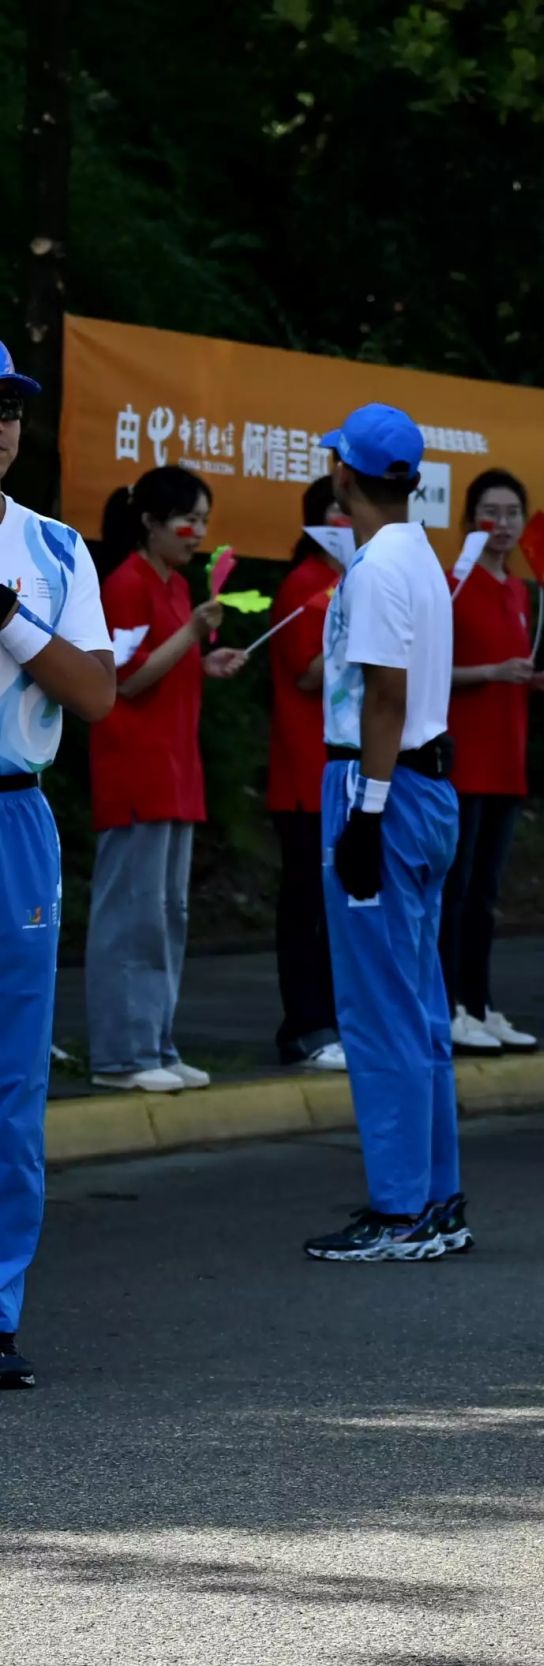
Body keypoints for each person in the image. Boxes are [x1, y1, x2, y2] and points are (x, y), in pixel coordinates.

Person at [301, 404, 465, 1265]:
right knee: (419, 999)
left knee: (379, 1005)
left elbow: (386, 697)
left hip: (384, 788)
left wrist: (364, 808)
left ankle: (400, 1208)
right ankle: (436, 1197)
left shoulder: (374, 568)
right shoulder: (419, 556)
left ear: (344, 472)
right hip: (426, 787)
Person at [0, 339, 116, 1389]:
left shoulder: (53, 548)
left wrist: (8, 618)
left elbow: (94, 693)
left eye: (7, 406)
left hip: (13, 820)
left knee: (10, 1081)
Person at [86, 464, 245, 1093]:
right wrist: (192, 634)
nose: (198, 532)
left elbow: (167, 664)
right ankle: (121, 1056)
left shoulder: (176, 586)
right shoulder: (125, 585)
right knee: (132, 915)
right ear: (149, 522)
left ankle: (155, 1042)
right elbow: (123, 678)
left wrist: (205, 660)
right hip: (135, 774)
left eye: (205, 521)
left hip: (177, 774)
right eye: (189, 520)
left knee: (168, 914)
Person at [440, 468, 539, 1054]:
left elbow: (510, 671)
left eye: (511, 514)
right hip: (463, 760)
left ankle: (479, 1004)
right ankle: (450, 1004)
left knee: (486, 895)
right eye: (490, 512)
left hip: (508, 760)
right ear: (469, 519)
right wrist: (490, 674)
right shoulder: (456, 583)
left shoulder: (518, 589)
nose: (501, 525)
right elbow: (429, 669)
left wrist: (534, 679)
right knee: (457, 890)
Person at [269, 478, 352, 1071]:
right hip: (303, 770)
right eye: (333, 513)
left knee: (334, 905)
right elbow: (306, 673)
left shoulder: (351, 581)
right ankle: (304, 1026)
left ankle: (329, 1019)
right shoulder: (303, 586)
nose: (344, 521)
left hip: (339, 769)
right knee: (305, 906)